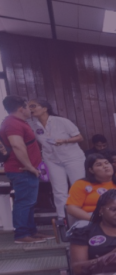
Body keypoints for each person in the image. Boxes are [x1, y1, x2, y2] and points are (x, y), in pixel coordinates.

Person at [27, 98, 85, 221]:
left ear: (45, 108)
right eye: (28, 107)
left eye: (33, 106)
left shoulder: (61, 121)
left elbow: (79, 137)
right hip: (51, 159)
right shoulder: (31, 124)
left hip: (73, 158)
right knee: (58, 190)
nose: (30, 109)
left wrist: (64, 140)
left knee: (78, 187)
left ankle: (82, 217)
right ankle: (63, 219)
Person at [67, 189, 116, 275]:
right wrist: (111, 256)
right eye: (113, 209)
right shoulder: (84, 232)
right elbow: (77, 269)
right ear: (101, 210)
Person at [1, 95, 46, 243]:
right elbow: (17, 145)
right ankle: (21, 235)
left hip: (26, 170)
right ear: (21, 109)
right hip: (22, 170)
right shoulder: (13, 123)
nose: (30, 110)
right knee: (24, 202)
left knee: (29, 202)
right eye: (28, 107)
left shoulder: (17, 122)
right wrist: (29, 166)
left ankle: (31, 232)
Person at [67, 153, 116, 222]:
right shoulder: (81, 184)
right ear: (91, 170)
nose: (105, 166)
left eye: (107, 163)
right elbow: (71, 208)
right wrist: (95, 220)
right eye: (99, 165)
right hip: (91, 219)